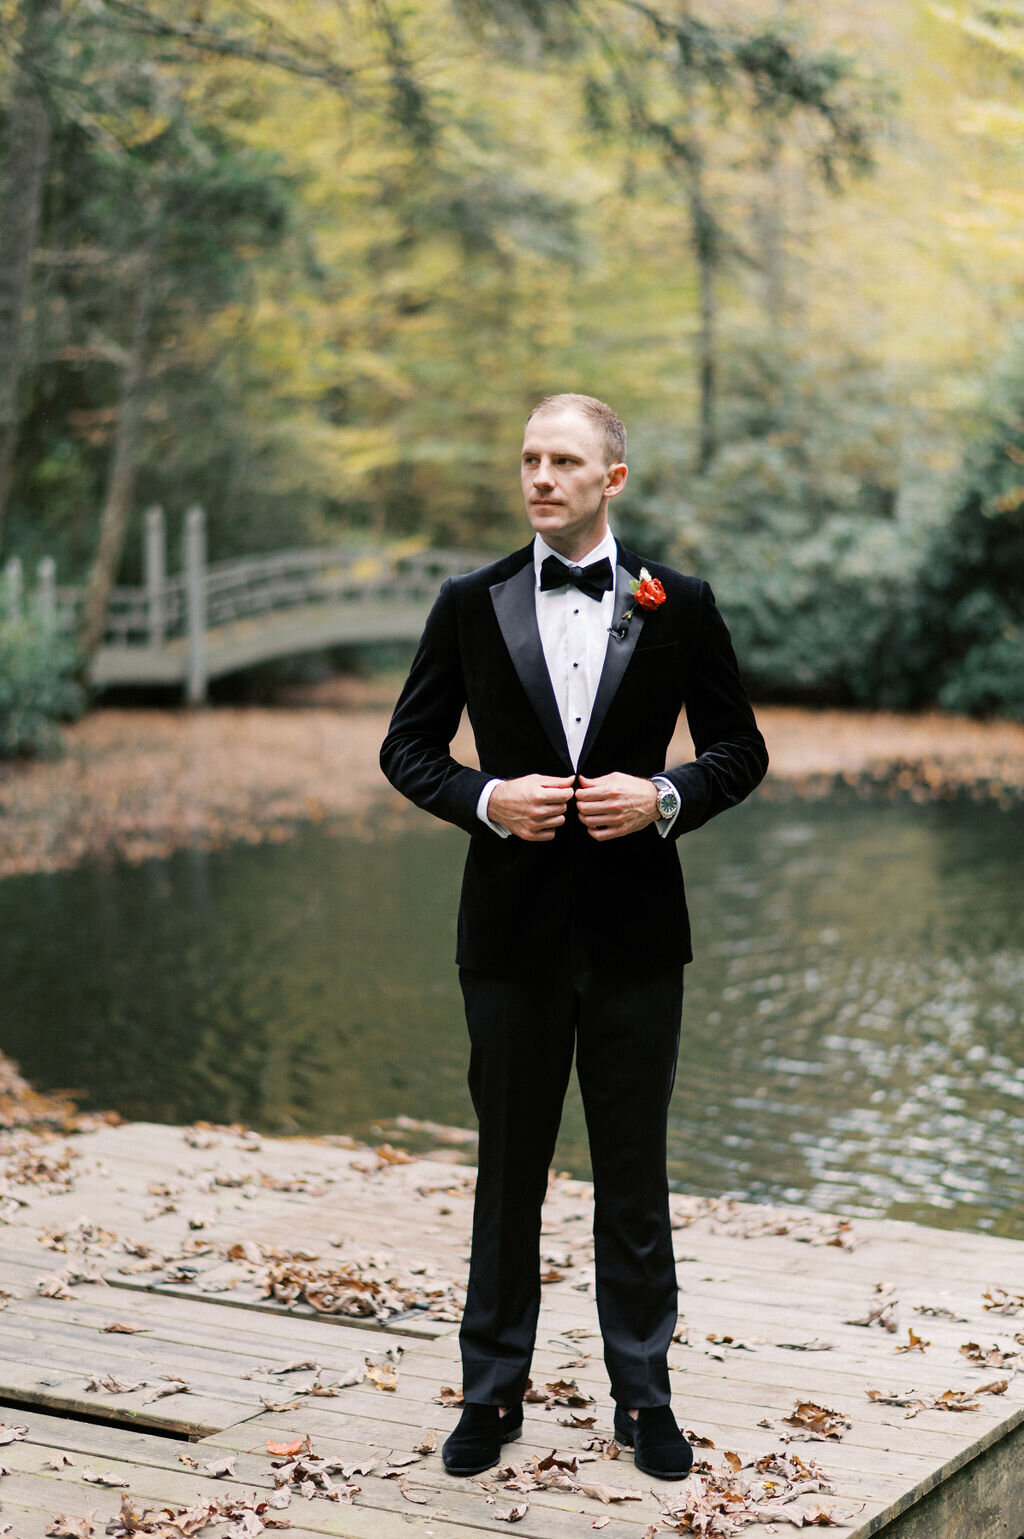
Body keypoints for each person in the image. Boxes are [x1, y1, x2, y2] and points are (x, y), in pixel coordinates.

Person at [379, 393, 768, 1481]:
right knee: (507, 1170)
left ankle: (643, 1399)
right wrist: (486, 798)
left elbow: (739, 750)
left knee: (633, 1173)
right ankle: (490, 1395)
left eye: (563, 461)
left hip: (640, 937)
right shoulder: (469, 601)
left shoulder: (675, 603)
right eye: (528, 460)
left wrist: (666, 797)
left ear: (613, 480)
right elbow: (407, 748)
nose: (540, 477)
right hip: (505, 937)